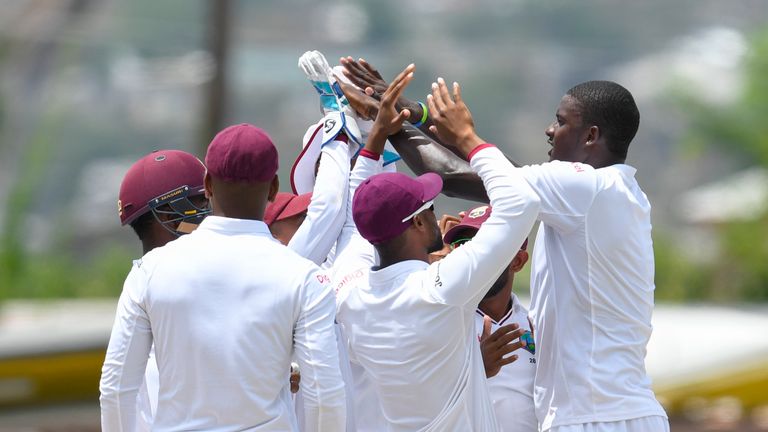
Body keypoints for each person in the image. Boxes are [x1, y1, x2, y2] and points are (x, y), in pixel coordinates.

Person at [341, 63, 668, 432]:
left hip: (596, 418)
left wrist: (389, 121)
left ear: (591, 135)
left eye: (560, 122)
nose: (549, 130)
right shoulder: (604, 192)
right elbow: (499, 175)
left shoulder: (587, 189)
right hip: (615, 412)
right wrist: (414, 112)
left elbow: (458, 177)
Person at [100, 124, 346, 431]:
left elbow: (116, 389)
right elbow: (325, 397)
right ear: (273, 187)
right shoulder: (304, 277)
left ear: (208, 185)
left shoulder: (149, 272)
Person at [334, 66, 540, 431]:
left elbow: (353, 219)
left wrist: (377, 134)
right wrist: (468, 138)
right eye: (428, 208)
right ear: (415, 223)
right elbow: (521, 202)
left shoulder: (350, 293)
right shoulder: (441, 288)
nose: (436, 214)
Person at [115, 149, 211, 431]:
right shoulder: (151, 282)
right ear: (168, 214)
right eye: (196, 201)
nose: (207, 210)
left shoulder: (142, 280)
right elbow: (115, 390)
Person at [441, 205, 537, 431]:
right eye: (463, 246)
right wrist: (478, 369)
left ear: (518, 261)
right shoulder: (440, 319)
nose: (473, 260)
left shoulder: (538, 324)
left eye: (486, 248)